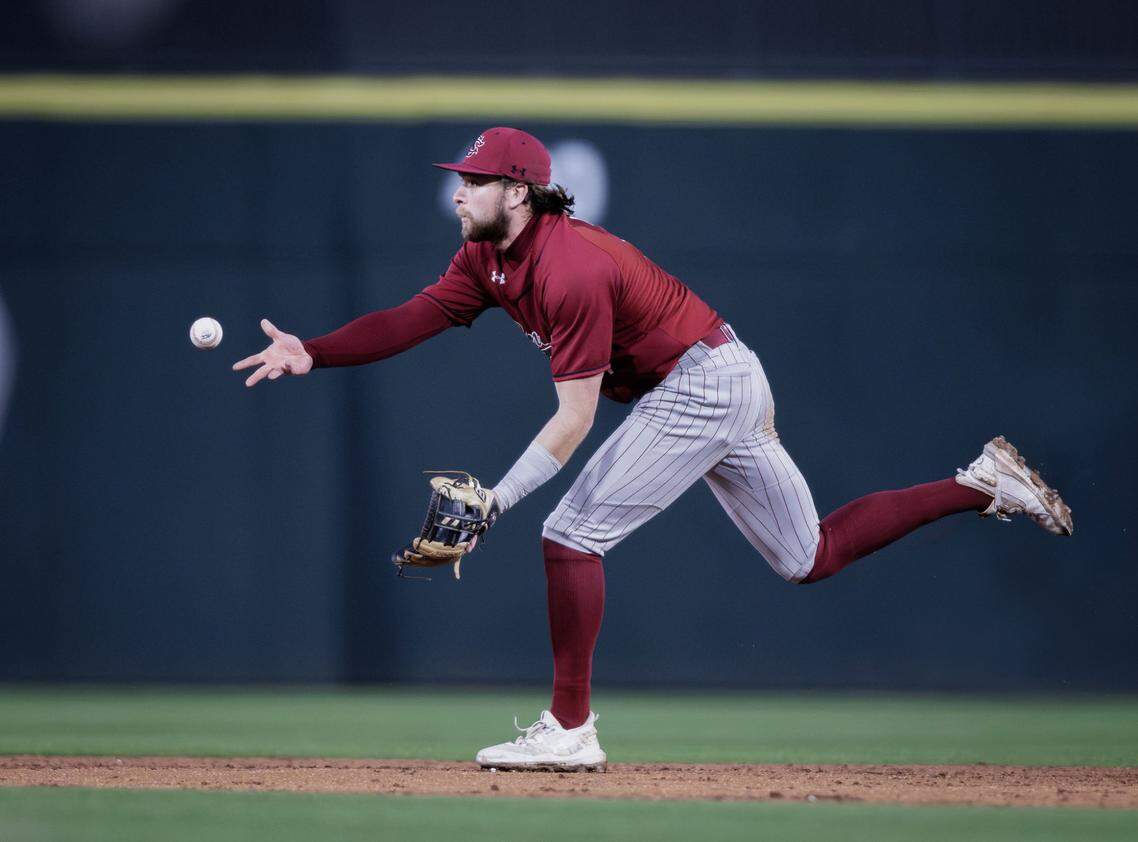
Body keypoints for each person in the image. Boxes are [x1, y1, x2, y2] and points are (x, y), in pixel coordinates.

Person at [233, 127, 1073, 773]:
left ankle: (569, 731)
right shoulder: (486, 258)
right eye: (461, 181)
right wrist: (315, 348)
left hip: (703, 383)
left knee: (569, 535)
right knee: (807, 556)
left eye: (476, 181)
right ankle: (982, 483)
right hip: (724, 372)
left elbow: (573, 421)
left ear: (519, 193)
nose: (460, 192)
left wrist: (496, 499)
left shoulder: (569, 269)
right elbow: (412, 317)